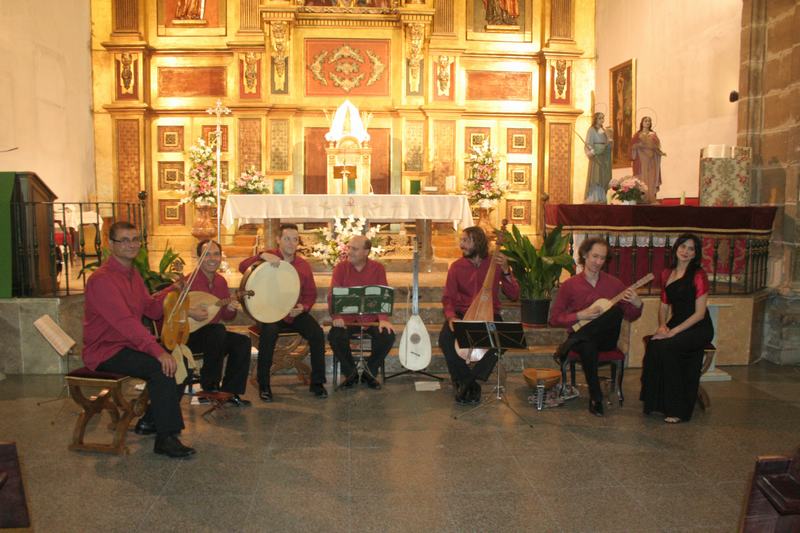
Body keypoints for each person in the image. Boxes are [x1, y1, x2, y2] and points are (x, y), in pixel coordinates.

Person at [82, 221, 195, 458]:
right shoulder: (102, 280)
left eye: (134, 239)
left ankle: (151, 420)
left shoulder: (133, 274)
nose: (130, 245)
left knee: (182, 362)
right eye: (123, 240)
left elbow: (152, 310)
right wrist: (157, 351)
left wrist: (172, 290)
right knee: (160, 367)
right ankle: (166, 438)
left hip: (128, 344)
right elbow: (125, 322)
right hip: (106, 350)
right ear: (110, 244)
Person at [550, 237, 643, 416]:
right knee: (588, 345)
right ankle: (596, 397)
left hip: (606, 339)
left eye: (602, 258)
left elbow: (630, 316)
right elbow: (554, 319)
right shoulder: (569, 285)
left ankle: (574, 340)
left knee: (615, 312)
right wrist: (580, 315)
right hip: (584, 340)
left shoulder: (614, 284)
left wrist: (637, 303)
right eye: (594, 256)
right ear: (585, 255)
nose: (598, 262)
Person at [239, 224, 327, 401]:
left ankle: (317, 382)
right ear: (278, 239)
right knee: (269, 333)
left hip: (293, 312)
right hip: (268, 311)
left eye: (295, 239)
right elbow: (242, 267)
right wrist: (261, 255)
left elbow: (310, 294)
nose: (291, 243)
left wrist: (303, 308)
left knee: (317, 334)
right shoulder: (268, 257)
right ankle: (264, 385)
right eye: (287, 238)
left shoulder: (302, 265)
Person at [438, 226, 520, 405]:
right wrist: (451, 317)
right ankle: (467, 381)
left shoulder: (495, 263)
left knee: (502, 340)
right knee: (445, 340)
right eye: (462, 240)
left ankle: (467, 382)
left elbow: (514, 294)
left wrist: (506, 271)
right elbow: (448, 297)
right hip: (462, 314)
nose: (461, 244)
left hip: (489, 314)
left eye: (466, 240)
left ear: (478, 242)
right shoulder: (456, 267)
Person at [640, 233, 714, 423]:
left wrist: (672, 333)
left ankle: (677, 409)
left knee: (668, 346)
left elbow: (699, 314)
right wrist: (663, 326)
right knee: (655, 346)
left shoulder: (699, 275)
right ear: (676, 248)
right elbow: (664, 305)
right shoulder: (667, 273)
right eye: (683, 247)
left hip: (698, 326)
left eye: (691, 249)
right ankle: (656, 403)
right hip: (676, 321)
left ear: (695, 254)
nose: (686, 251)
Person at [186, 240, 251, 407]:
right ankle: (210, 388)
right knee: (217, 330)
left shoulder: (221, 282)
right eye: (207, 254)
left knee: (242, 342)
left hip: (213, 337)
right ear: (199, 258)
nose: (212, 258)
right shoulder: (188, 281)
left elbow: (227, 316)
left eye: (216, 254)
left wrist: (230, 308)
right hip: (188, 336)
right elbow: (165, 303)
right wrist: (189, 311)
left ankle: (229, 392)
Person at [327, 235, 395, 389]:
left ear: (366, 252)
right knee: (335, 336)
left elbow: (383, 296)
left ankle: (369, 372)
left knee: (387, 336)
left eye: (355, 249)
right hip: (347, 319)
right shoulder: (340, 268)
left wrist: (383, 318)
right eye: (349, 247)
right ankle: (350, 373)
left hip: (371, 318)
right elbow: (332, 295)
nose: (349, 251)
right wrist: (337, 316)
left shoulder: (378, 269)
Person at [630, 116, 665, 204]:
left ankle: (651, 197)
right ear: (642, 123)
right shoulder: (637, 135)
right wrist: (638, 145)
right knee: (642, 176)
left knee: (652, 176)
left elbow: (657, 146)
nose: (647, 122)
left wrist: (659, 152)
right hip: (641, 159)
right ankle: (642, 197)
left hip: (651, 159)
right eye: (645, 121)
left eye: (649, 121)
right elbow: (632, 147)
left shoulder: (653, 134)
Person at [584, 112, 613, 204]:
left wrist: (609, 143)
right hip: (596, 156)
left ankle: (602, 197)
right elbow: (588, 143)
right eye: (600, 118)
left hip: (603, 156)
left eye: (603, 118)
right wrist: (591, 151)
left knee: (602, 176)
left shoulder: (604, 131)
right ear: (595, 119)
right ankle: (594, 196)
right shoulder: (591, 130)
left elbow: (607, 143)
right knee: (595, 176)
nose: (602, 120)